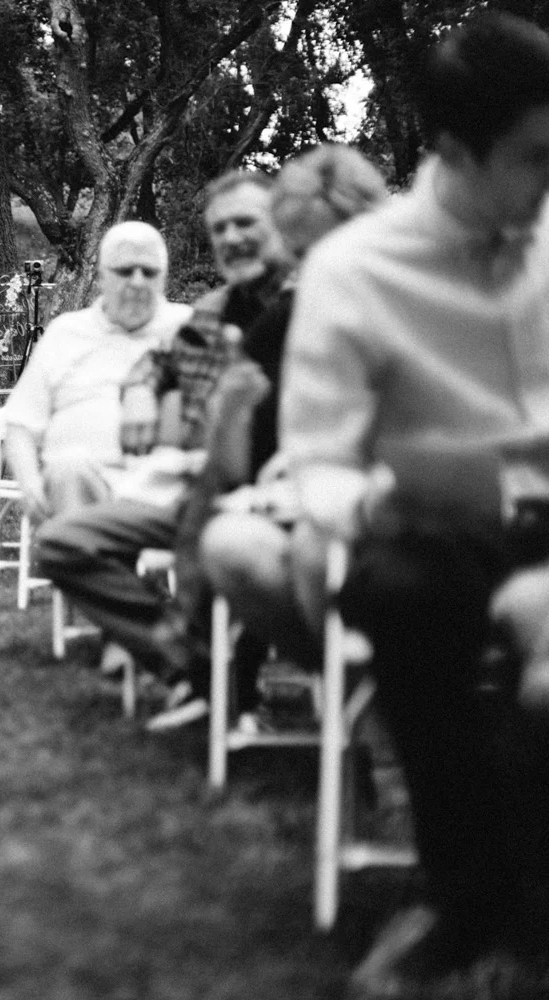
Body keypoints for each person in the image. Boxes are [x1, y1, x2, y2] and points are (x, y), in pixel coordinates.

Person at [281, 13, 549, 993]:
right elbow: (317, 463)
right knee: (398, 593)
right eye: (533, 158)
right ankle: (467, 892)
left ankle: (499, 904)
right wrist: (377, 500)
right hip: (445, 530)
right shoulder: (356, 273)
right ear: (452, 151)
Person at [32, 170, 290, 729]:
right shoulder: (215, 310)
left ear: (282, 226)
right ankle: (193, 666)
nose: (231, 238)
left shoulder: (312, 309)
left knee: (219, 538)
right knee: (60, 543)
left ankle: (218, 676)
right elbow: (160, 360)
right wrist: (141, 391)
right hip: (190, 491)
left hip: (272, 503)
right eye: (220, 228)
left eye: (246, 222)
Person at [195, 145, 390, 719]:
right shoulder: (273, 317)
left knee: (314, 546)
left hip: (418, 507)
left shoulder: (421, 297)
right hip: (308, 508)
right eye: (304, 255)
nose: (315, 272)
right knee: (230, 540)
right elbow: (235, 462)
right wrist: (231, 412)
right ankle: (357, 702)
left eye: (328, 250)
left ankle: (374, 721)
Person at [1, 221, 192, 523]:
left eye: (149, 272)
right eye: (125, 271)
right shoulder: (66, 332)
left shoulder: (189, 329)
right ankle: (86, 557)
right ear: (102, 275)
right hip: (80, 486)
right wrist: (30, 484)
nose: (138, 282)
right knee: (68, 468)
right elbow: (20, 425)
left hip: (162, 490)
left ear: (164, 278)